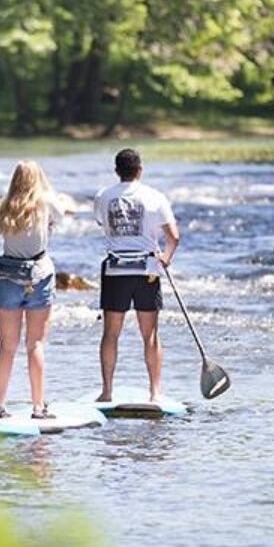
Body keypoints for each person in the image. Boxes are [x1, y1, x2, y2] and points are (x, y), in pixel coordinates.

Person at [93, 148, 180, 401]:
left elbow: (101, 222)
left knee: (110, 333)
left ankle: (107, 392)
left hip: (115, 270)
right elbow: (174, 237)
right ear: (140, 170)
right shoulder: (155, 196)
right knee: (150, 334)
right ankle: (155, 392)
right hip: (147, 271)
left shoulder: (103, 196)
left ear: (117, 171)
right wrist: (166, 257)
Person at [0, 161, 63, 420]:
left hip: (8, 277)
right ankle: (38, 407)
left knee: (7, 347)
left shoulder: (5, 204)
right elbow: (63, 216)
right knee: (35, 345)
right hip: (39, 276)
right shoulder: (46, 201)